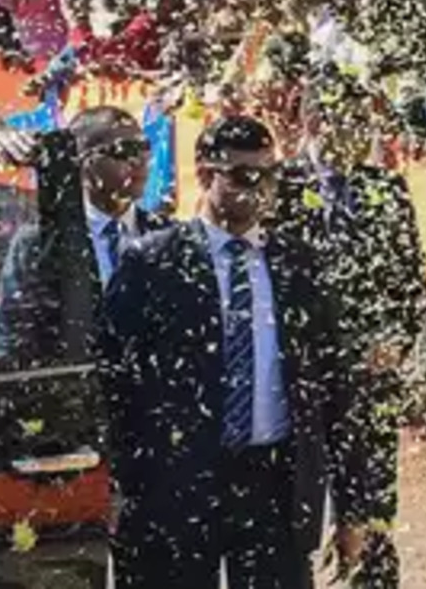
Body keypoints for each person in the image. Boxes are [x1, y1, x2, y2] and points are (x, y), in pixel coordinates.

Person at [98, 115, 371, 589]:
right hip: (179, 477)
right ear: (206, 174)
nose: (261, 188)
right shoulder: (154, 261)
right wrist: (115, 485)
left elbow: (337, 387)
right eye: (245, 175)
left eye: (271, 174)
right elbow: (116, 383)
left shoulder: (298, 264)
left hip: (274, 479)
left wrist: (354, 508)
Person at [274, 69, 426, 589]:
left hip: (370, 384)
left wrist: (396, 340)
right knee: (295, 520)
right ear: (314, 120)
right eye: (348, 119)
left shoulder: (386, 189)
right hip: (298, 388)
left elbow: (412, 282)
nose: (359, 131)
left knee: (373, 515)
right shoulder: (280, 189)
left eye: (364, 120)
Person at [0, 106, 168, 368]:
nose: (139, 161)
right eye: (125, 151)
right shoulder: (39, 243)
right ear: (83, 162)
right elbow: (12, 341)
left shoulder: (169, 236)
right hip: (73, 396)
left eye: (144, 147)